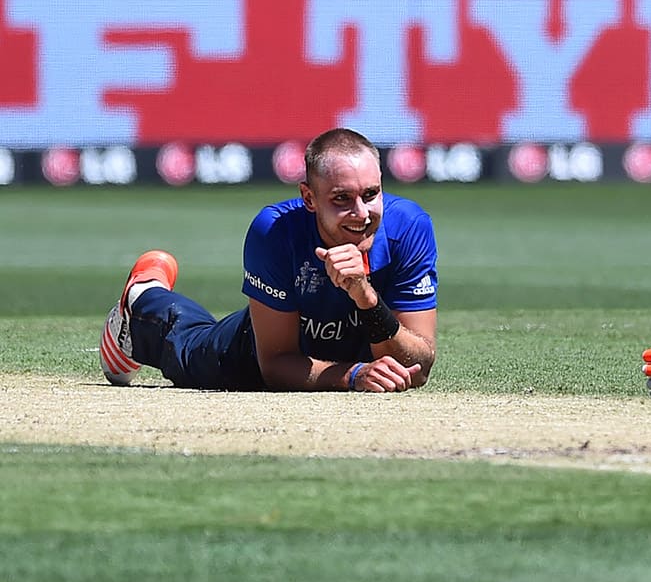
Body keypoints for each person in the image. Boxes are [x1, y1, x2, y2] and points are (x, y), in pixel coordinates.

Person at [99, 128, 437, 392]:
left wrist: (367, 299)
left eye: (370, 194)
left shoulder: (409, 228)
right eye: (341, 198)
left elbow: (419, 365)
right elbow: (275, 365)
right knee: (186, 350)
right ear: (309, 198)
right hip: (254, 353)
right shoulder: (274, 230)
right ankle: (144, 296)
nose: (361, 214)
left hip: (351, 350)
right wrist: (353, 375)